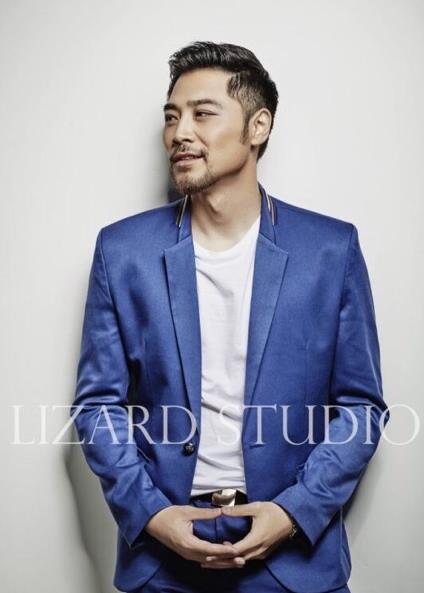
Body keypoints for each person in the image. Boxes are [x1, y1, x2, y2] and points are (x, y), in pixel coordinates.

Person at [71, 41, 389, 593]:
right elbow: (98, 405)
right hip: (163, 565)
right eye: (171, 117)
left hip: (294, 565)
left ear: (258, 126)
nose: (180, 133)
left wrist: (294, 511)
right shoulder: (122, 252)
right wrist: (151, 515)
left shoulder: (329, 249)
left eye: (203, 113)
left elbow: (361, 407)